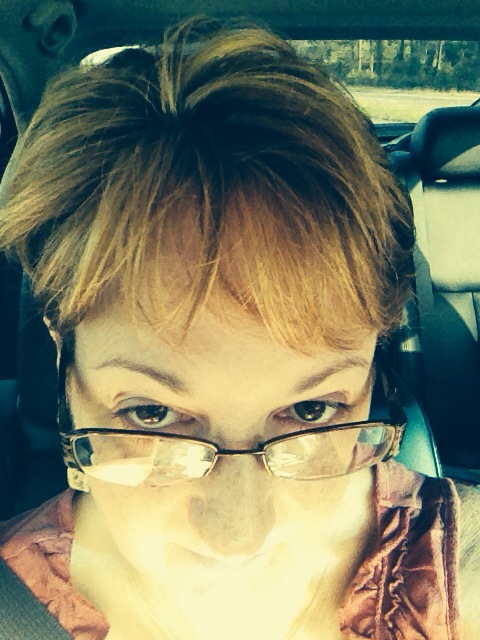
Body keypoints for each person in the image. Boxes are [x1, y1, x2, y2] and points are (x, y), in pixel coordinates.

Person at [0, 15, 478, 640]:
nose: (237, 535)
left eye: (310, 411)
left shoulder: (455, 575)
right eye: (151, 414)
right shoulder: (13, 605)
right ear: (65, 364)